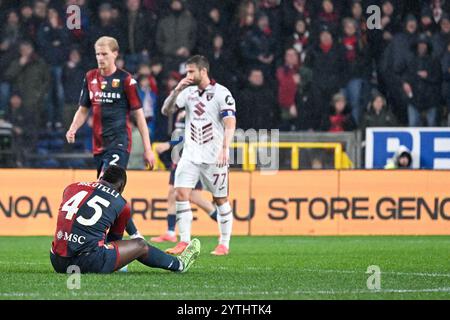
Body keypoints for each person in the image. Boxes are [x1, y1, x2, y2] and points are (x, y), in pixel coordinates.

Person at [65, 36, 156, 239]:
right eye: (98, 54)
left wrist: (148, 148)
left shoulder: (126, 80)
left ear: (115, 54)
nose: (100, 58)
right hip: (99, 145)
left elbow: (139, 115)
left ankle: (132, 236)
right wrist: (73, 128)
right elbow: (83, 110)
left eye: (105, 54)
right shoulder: (90, 77)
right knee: (110, 193)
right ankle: (124, 241)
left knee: (105, 186)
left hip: (119, 142)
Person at [50, 165, 200, 274]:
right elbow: (114, 240)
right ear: (121, 187)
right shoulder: (120, 203)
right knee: (141, 245)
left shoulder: (71, 187)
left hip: (56, 261)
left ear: (101, 177)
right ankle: (179, 264)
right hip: (86, 262)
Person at [161, 55, 236, 256]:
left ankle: (224, 243)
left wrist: (225, 148)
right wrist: (177, 89)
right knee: (181, 193)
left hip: (214, 156)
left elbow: (230, 122)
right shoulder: (188, 93)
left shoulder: (222, 93)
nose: (188, 75)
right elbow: (165, 110)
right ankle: (184, 241)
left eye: (191, 71)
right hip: (190, 154)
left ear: (203, 71)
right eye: (187, 71)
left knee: (220, 199)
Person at [150, 110, 218, 243]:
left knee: (193, 196)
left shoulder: (196, 113)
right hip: (180, 159)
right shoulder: (182, 112)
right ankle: (170, 232)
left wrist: (168, 145)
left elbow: (191, 136)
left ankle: (224, 221)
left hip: (192, 160)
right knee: (172, 194)